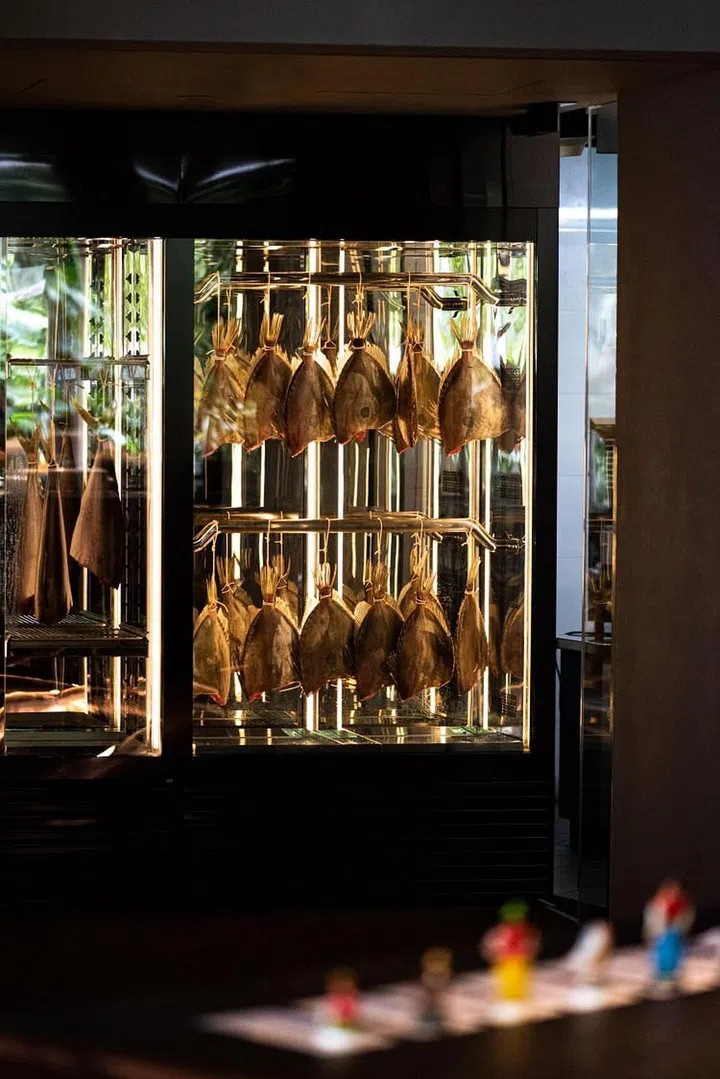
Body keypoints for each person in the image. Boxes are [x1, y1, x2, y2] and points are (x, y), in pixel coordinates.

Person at [643, 880, 695, 992]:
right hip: (660, 937)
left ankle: (672, 977)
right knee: (659, 957)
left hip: (675, 938)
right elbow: (651, 922)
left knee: (673, 956)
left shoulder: (684, 907)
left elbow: (685, 922)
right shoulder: (656, 905)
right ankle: (660, 976)